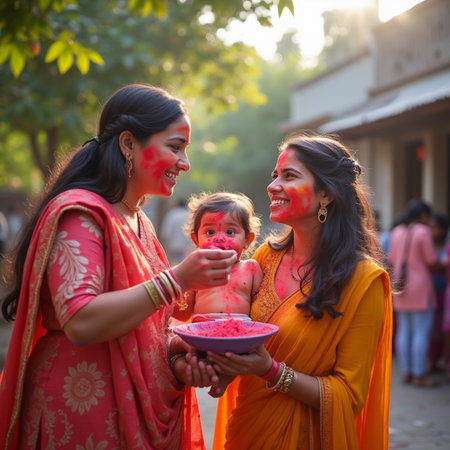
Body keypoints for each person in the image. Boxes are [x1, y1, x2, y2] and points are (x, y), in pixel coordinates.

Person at [0, 83, 238, 449]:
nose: (185, 163)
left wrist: (181, 357)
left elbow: (148, 328)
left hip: (129, 406)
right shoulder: (81, 214)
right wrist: (178, 279)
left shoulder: (139, 222)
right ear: (128, 144)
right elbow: (80, 321)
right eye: (175, 147)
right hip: (80, 408)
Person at [210, 135, 392, 449]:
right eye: (274, 176)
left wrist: (271, 371)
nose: (273, 186)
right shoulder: (265, 257)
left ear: (326, 194)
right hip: (245, 432)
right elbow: (230, 326)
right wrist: (218, 367)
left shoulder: (363, 281)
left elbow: (348, 396)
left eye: (289, 176)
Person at [172, 192, 263, 323]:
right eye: (210, 232)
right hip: (201, 336)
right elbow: (182, 314)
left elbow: (262, 313)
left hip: (240, 336)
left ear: (247, 240)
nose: (219, 239)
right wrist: (176, 285)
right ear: (196, 240)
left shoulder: (251, 269)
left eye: (230, 232)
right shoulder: (196, 271)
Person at [388, 199, 446, 387]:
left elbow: (391, 259)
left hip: (401, 286)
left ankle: (407, 373)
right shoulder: (423, 231)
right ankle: (419, 375)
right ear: (423, 216)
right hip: (421, 288)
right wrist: (443, 262)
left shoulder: (397, 231)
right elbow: (431, 261)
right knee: (421, 331)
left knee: (405, 331)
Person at [428, 213, 449, 372]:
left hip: (444, 292)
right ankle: (431, 360)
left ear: (443, 230)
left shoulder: (445, 246)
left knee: (442, 327)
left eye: (434, 227)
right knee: (432, 328)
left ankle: (440, 359)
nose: (431, 230)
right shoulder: (426, 244)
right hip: (430, 292)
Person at [160, 198, 194, 264]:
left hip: (174, 244)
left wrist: (165, 242)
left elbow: (166, 232)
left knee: (176, 263)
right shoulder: (188, 215)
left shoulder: (172, 214)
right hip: (186, 245)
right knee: (185, 262)